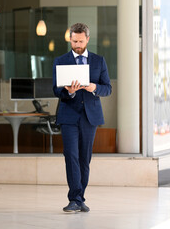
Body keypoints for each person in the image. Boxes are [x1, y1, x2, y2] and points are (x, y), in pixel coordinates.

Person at [52, 23, 112, 212]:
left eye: (80, 41)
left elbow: (108, 88)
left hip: (90, 116)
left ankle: (80, 198)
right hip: (68, 115)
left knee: (84, 158)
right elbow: (56, 89)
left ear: (87, 39)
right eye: (74, 41)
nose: (77, 44)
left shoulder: (98, 61)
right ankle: (74, 198)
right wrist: (68, 91)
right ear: (70, 39)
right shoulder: (60, 60)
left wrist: (95, 88)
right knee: (71, 156)